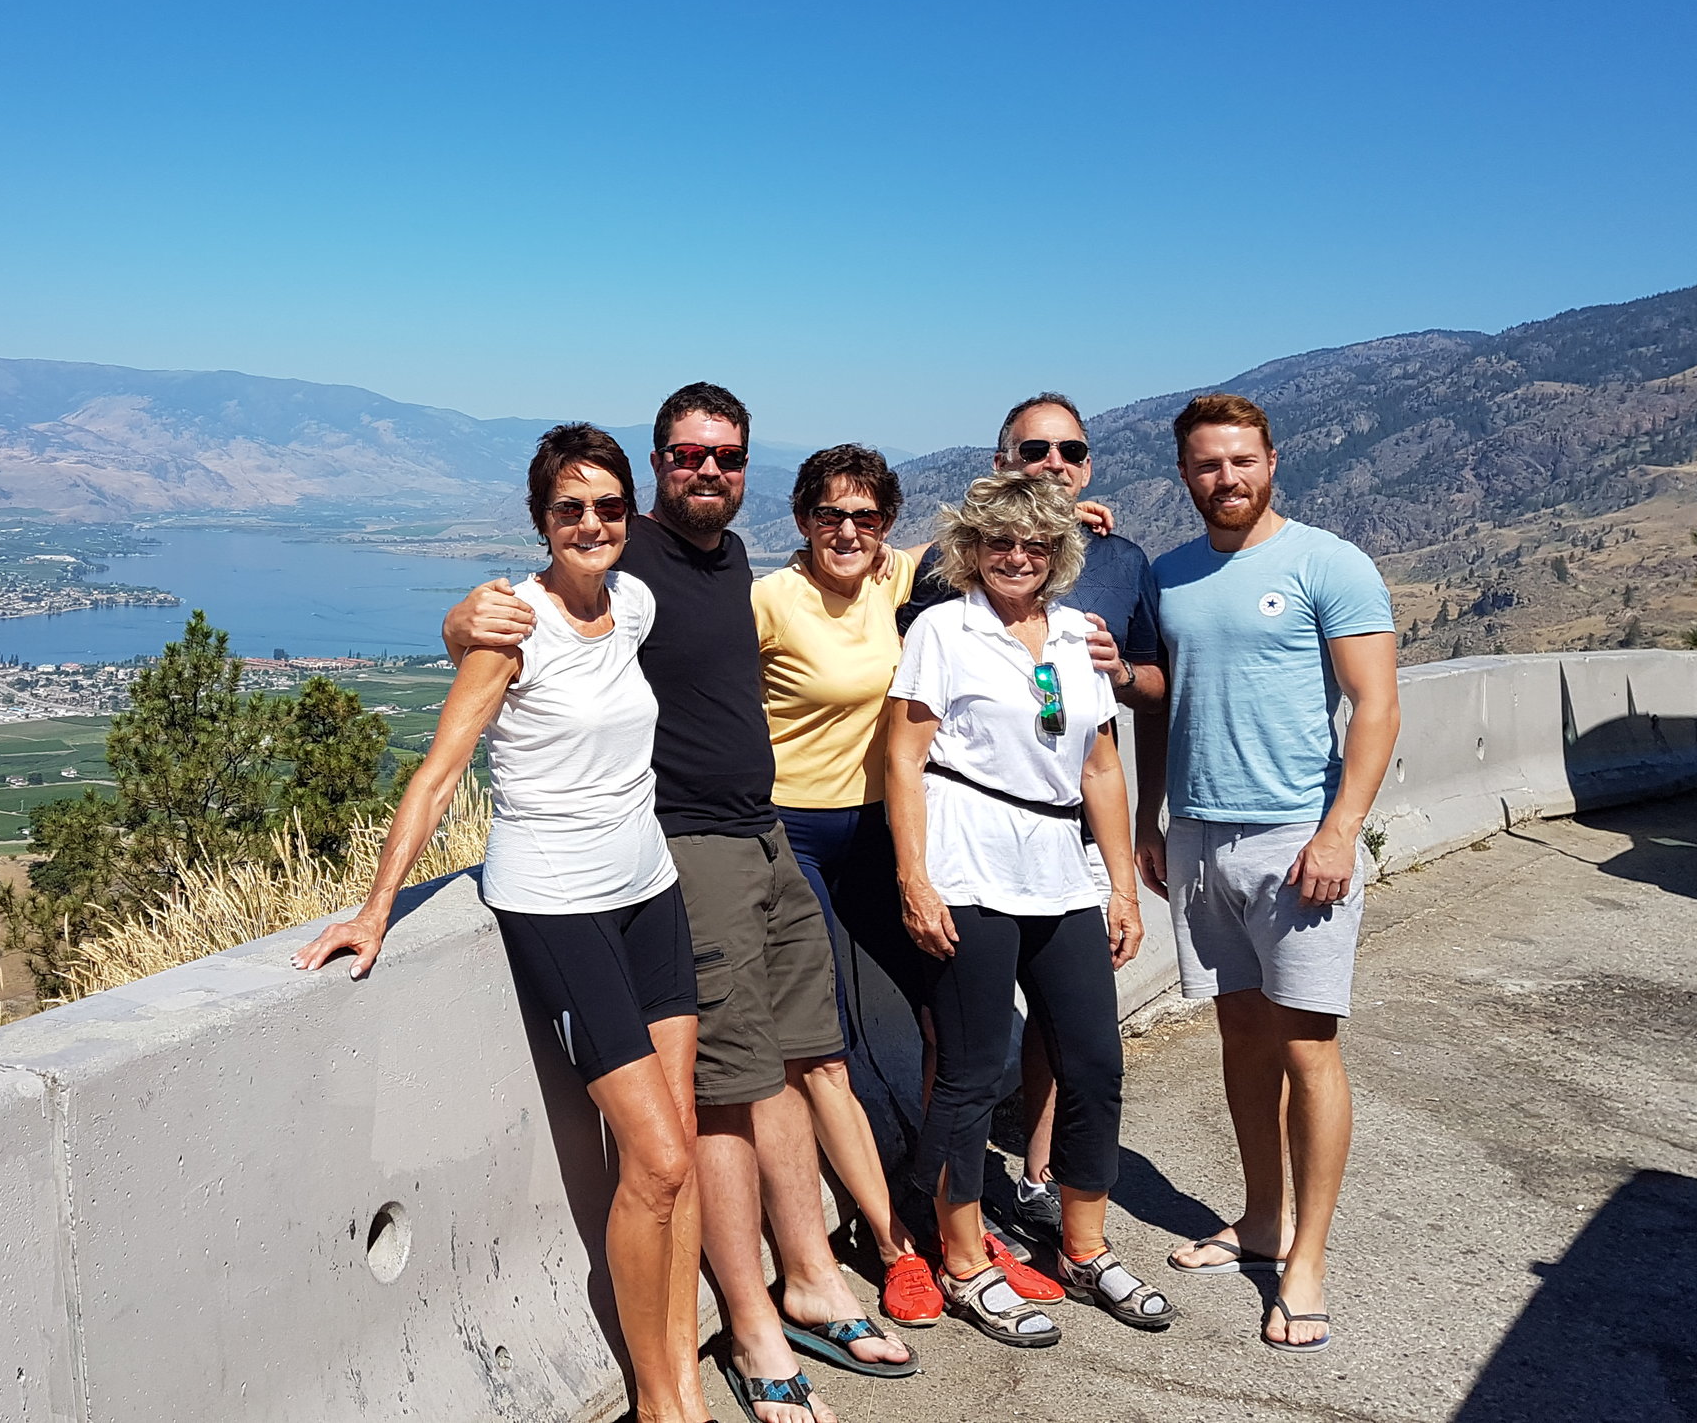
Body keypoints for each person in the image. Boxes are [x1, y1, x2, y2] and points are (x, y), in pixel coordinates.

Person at [446, 385, 913, 1423]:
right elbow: (511, 616)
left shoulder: (734, 559)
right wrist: (457, 617)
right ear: (658, 464)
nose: (708, 472)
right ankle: (750, 1329)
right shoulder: (630, 547)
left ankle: (809, 1277)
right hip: (680, 849)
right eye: (687, 456)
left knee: (794, 1064)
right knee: (721, 1090)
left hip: (764, 831)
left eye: (727, 457)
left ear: (747, 468)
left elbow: (884, 562)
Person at [295, 424, 709, 1423]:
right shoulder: (510, 628)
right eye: (569, 509)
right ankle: (658, 1402)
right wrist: (374, 910)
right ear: (541, 522)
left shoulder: (637, 603)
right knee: (653, 1161)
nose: (592, 524)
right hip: (557, 903)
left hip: (649, 889)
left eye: (608, 506)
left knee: (680, 1148)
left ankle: (688, 1380)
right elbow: (438, 775)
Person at [1136, 394, 1398, 1354]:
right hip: (1200, 838)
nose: (1227, 479)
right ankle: (1257, 1220)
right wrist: (1147, 819)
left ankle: (1308, 1257)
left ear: (1273, 461)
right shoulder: (1167, 577)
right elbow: (1161, 708)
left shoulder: (1330, 562)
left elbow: (1376, 706)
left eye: (1242, 461)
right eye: (1208, 465)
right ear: (1185, 474)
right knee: (1242, 1036)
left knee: (1308, 1049)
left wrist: (1340, 831)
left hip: (1298, 840)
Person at [886, 473, 1172, 1346]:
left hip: (1060, 871)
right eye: (1000, 542)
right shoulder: (944, 629)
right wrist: (913, 877)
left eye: (1036, 545)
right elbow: (903, 757)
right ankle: (965, 1259)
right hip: (968, 865)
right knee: (971, 1072)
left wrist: (1121, 884)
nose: (1017, 558)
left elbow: (1098, 767)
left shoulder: (1079, 637)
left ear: (1059, 556)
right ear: (973, 548)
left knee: (1093, 1060)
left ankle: (1082, 1247)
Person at [750, 445, 942, 1329]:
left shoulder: (897, 574)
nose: (849, 531)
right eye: (831, 514)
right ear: (802, 519)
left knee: (944, 1015)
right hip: (795, 835)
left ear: (886, 525)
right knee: (821, 1046)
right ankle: (896, 1241)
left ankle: (952, 1209)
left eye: (867, 517)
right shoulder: (768, 597)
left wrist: (1070, 514)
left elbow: (997, 547)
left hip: (883, 830)